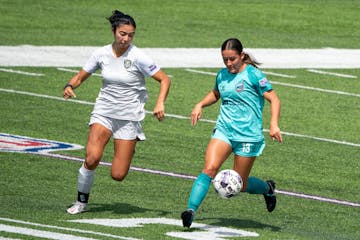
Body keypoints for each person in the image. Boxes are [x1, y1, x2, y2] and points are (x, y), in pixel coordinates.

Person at [63, 10, 171, 214]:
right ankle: (81, 202)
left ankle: (130, 145)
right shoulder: (101, 53)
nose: (126, 39)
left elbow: (165, 79)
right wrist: (70, 85)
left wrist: (160, 103)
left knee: (118, 175)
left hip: (129, 118)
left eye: (130, 35)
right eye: (122, 33)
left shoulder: (138, 56)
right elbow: (81, 76)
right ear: (114, 31)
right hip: (103, 112)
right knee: (92, 158)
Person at [181, 38, 282, 227]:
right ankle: (190, 211)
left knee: (241, 185)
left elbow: (274, 100)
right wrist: (200, 104)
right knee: (209, 169)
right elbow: (216, 94)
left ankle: (267, 188)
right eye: (225, 60)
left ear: (242, 56)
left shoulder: (253, 75)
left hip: (248, 136)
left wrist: (274, 124)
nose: (229, 64)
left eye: (232, 59)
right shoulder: (222, 75)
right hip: (224, 130)